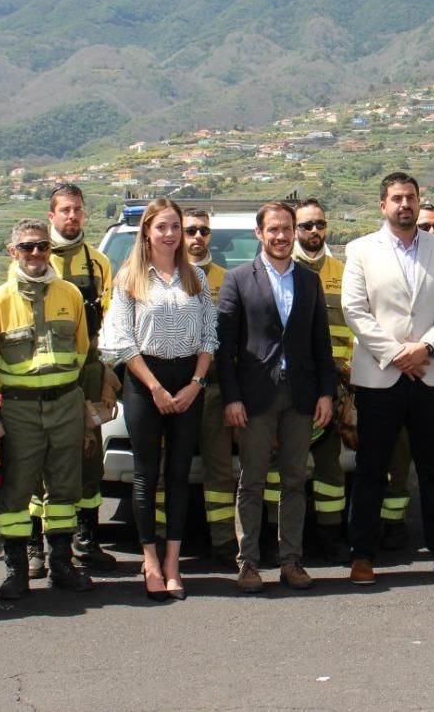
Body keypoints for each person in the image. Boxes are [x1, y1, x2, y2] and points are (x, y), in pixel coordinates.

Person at [340, 172, 434, 585]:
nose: (405, 205)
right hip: (380, 376)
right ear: (383, 205)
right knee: (370, 469)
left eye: (411, 198)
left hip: (432, 376)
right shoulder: (361, 249)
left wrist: (427, 349)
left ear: (419, 203)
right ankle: (362, 555)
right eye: (397, 198)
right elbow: (354, 310)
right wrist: (397, 354)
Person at [98, 198, 217, 600]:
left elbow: (209, 339)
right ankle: (149, 561)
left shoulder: (196, 278)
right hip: (144, 383)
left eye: (175, 227)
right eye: (162, 227)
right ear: (147, 232)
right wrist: (155, 389)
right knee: (146, 476)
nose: (170, 234)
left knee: (180, 475)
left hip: (188, 384)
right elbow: (123, 342)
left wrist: (195, 384)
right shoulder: (129, 278)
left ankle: (172, 564)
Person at [217, 202, 337, 592]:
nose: (281, 236)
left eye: (287, 229)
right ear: (259, 234)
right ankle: (248, 563)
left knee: (294, 481)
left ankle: (291, 561)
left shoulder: (308, 280)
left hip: (301, 395)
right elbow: (225, 347)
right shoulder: (237, 279)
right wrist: (232, 398)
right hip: (255, 397)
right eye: (273, 230)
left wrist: (326, 392)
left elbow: (321, 342)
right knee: (251, 481)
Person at [0, 219, 95, 599]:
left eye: (42, 247)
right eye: (28, 247)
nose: (36, 254)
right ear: (13, 251)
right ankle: (16, 569)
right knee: (17, 491)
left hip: (65, 403)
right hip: (20, 409)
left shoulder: (69, 294)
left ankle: (61, 564)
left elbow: (81, 349)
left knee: (65, 488)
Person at [37, 183, 117, 574]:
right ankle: (38, 547)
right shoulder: (35, 256)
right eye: (65, 210)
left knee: (89, 460)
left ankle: (87, 540)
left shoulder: (98, 262)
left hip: (88, 372)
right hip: (45, 376)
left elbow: (111, 317)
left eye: (78, 210)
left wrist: (106, 374)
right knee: (41, 463)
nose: (72, 216)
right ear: (52, 215)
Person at [293, 198, 353, 564]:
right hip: (294, 382)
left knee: (330, 465)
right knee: (283, 464)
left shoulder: (344, 272)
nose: (314, 231)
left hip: (337, 381)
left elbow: (359, 325)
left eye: (319, 224)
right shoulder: (282, 270)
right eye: (306, 225)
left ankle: (330, 534)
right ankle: (281, 537)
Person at [182, 208, 238, 567]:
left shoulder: (228, 280)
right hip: (172, 392)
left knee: (219, 470)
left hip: (214, 391)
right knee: (164, 469)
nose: (197, 237)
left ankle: (223, 542)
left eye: (203, 230)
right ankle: (158, 541)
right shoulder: (164, 277)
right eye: (191, 230)